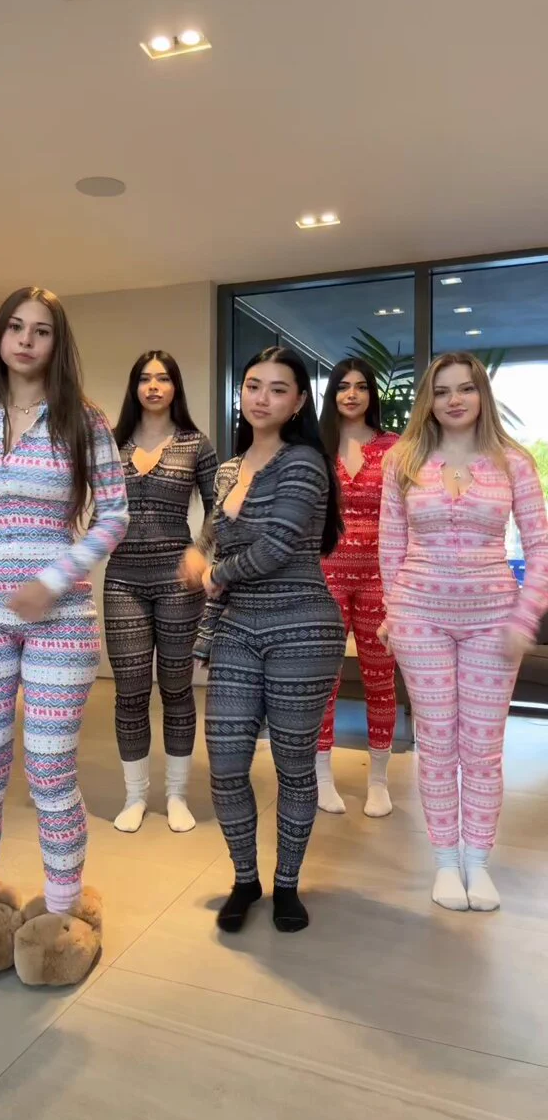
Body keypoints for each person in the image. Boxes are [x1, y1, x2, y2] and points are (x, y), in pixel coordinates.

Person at [0, 287, 128, 984]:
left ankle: (62, 917)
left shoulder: (85, 420)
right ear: (0, 336)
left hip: (61, 619)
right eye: (15, 327)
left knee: (49, 768)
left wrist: (54, 579)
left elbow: (114, 515)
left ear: (56, 343)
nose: (25, 340)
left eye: (40, 331)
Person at [379, 352, 548, 912]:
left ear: (482, 396)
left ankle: (478, 861)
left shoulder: (513, 462)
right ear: (429, 400)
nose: (455, 399)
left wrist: (524, 618)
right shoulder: (403, 460)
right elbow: (391, 545)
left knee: (481, 749)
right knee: (435, 744)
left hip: (493, 623)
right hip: (419, 617)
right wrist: (393, 613)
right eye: (443, 390)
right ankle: (446, 864)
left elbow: (541, 548)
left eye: (466, 389)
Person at [193, 347, 345, 934]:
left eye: (278, 389)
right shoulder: (229, 469)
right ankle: (244, 879)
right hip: (238, 627)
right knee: (227, 762)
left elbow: (278, 545)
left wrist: (214, 573)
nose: (262, 397)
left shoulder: (304, 461)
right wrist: (198, 559)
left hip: (302, 627)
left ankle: (286, 885)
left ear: (299, 402)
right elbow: (212, 538)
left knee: (293, 763)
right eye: (253, 385)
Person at [105, 352, 217, 833]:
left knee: (176, 688)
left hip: (178, 580)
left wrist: (201, 551)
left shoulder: (195, 443)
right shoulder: (111, 444)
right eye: (145, 379)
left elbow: (218, 507)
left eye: (163, 378)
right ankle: (135, 796)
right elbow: (96, 505)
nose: (154, 386)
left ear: (175, 387)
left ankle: (176, 795)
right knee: (130, 691)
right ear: (135, 387)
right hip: (123, 577)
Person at [318, 357, 399, 817]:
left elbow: (406, 515)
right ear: (332, 394)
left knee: (380, 678)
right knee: (324, 679)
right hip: (325, 574)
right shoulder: (316, 446)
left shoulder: (395, 447)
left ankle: (379, 780)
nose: (352, 394)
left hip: (380, 579)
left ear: (372, 394)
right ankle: (321, 776)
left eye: (361, 386)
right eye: (343, 386)